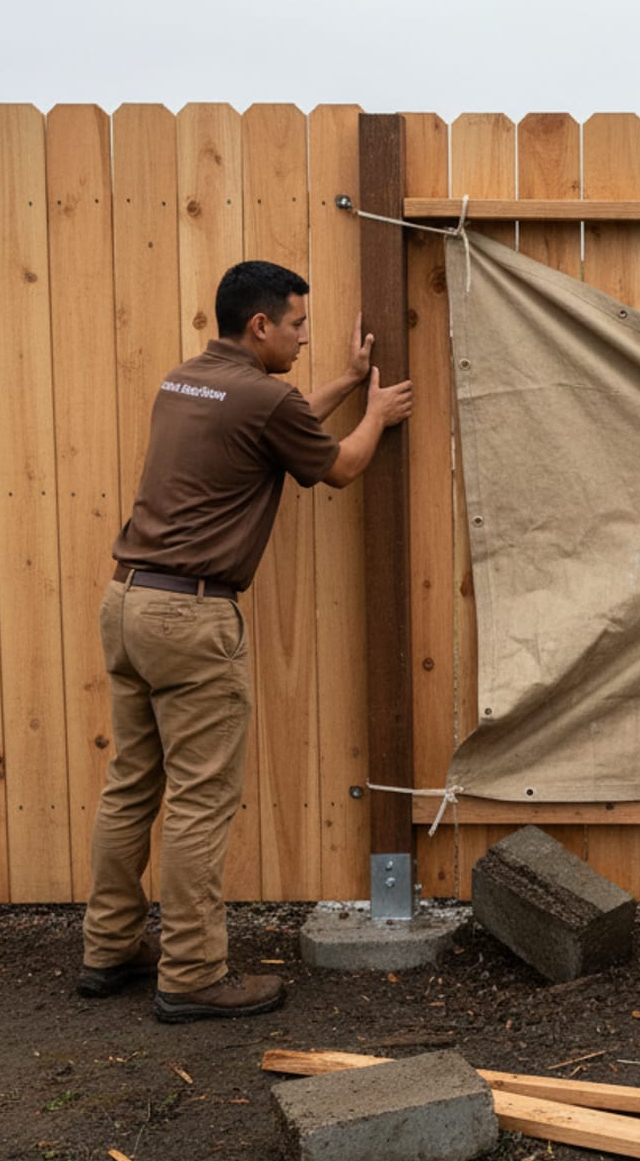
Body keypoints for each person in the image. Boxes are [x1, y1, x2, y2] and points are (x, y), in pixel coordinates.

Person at [77, 261, 414, 1023]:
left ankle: (109, 948)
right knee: (201, 801)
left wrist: (344, 383)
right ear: (259, 326)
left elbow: (279, 415)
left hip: (127, 602)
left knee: (132, 785)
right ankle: (193, 975)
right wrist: (377, 415)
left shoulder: (187, 380)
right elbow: (340, 466)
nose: (304, 336)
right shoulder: (262, 397)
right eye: (296, 324)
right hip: (191, 620)